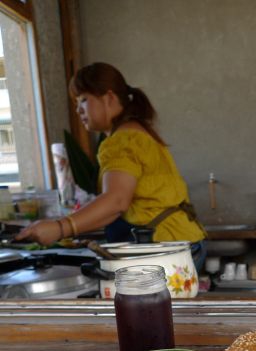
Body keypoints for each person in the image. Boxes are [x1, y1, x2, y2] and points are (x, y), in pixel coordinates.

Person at [16, 62, 207, 271]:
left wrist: (60, 228)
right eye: (76, 103)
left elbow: (116, 201)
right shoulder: (138, 131)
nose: (78, 110)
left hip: (164, 248)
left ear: (109, 98)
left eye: (83, 100)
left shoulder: (122, 141)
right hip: (183, 242)